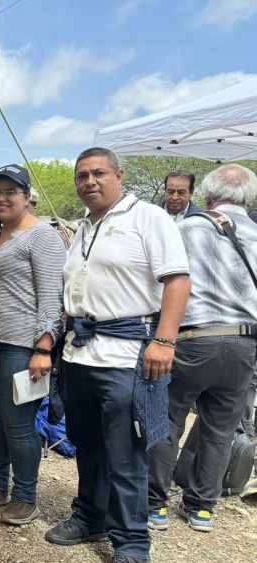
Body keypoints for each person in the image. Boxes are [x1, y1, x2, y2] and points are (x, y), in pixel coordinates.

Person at [44, 148, 190, 563]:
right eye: (82, 176)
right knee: (86, 443)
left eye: (98, 173)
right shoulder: (84, 227)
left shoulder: (148, 217)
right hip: (79, 354)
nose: (89, 181)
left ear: (119, 176)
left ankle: (131, 542)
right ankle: (90, 515)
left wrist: (164, 340)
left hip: (126, 356)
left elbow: (177, 280)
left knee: (125, 453)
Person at [147, 164, 257, 533]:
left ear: (206, 196)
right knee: (220, 429)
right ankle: (201, 508)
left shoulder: (186, 227)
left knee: (168, 419)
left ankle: (155, 505)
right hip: (244, 344)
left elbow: (162, 280)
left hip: (194, 340)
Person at [0, 165, 65, 524]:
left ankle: (25, 494)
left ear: (27, 197)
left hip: (21, 345)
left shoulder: (42, 236)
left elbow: (53, 296)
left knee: (19, 423)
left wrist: (43, 347)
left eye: (11, 191)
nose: (1, 198)